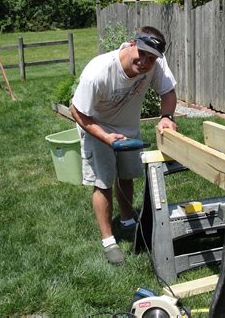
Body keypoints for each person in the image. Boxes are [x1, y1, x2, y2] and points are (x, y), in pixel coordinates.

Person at [71, 26, 177, 265]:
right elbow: (76, 111)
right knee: (103, 182)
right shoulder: (98, 72)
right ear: (131, 44)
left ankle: (127, 220)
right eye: (142, 53)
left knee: (127, 175)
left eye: (152, 58)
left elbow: (168, 92)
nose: (146, 62)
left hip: (128, 127)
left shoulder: (155, 63)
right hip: (96, 126)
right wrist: (106, 138)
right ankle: (109, 241)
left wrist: (167, 117)